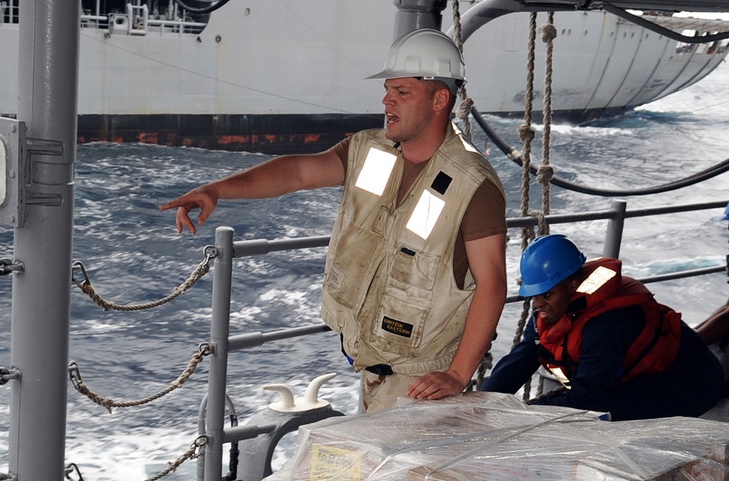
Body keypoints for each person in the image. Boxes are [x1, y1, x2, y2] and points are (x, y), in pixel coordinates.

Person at [160, 29, 508, 412]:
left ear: (440, 99)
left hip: (423, 382)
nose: (386, 99)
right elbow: (298, 173)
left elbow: (491, 283)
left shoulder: (471, 184)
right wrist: (218, 190)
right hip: (370, 368)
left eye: (402, 92)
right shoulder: (371, 151)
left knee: (400, 473)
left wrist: (458, 375)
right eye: (388, 90)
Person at [480, 234, 724, 420]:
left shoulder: (605, 325)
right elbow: (520, 360)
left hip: (689, 382)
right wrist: (481, 404)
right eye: (533, 295)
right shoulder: (549, 311)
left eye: (546, 294)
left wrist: (525, 412)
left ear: (573, 284)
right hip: (633, 376)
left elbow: (588, 400)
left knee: (604, 413)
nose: (538, 303)